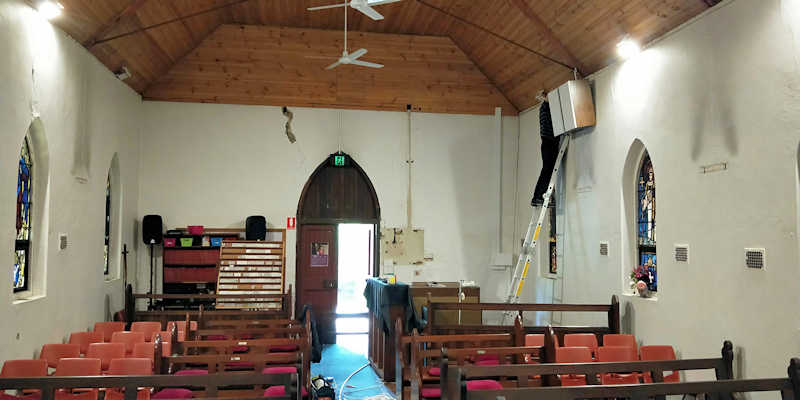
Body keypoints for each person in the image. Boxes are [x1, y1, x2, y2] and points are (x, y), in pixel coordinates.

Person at [531, 99, 560, 207]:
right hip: (549, 141)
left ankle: (537, 197)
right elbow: (552, 125)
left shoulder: (543, 109)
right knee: (548, 170)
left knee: (547, 169)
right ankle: (538, 197)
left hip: (546, 141)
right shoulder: (547, 108)